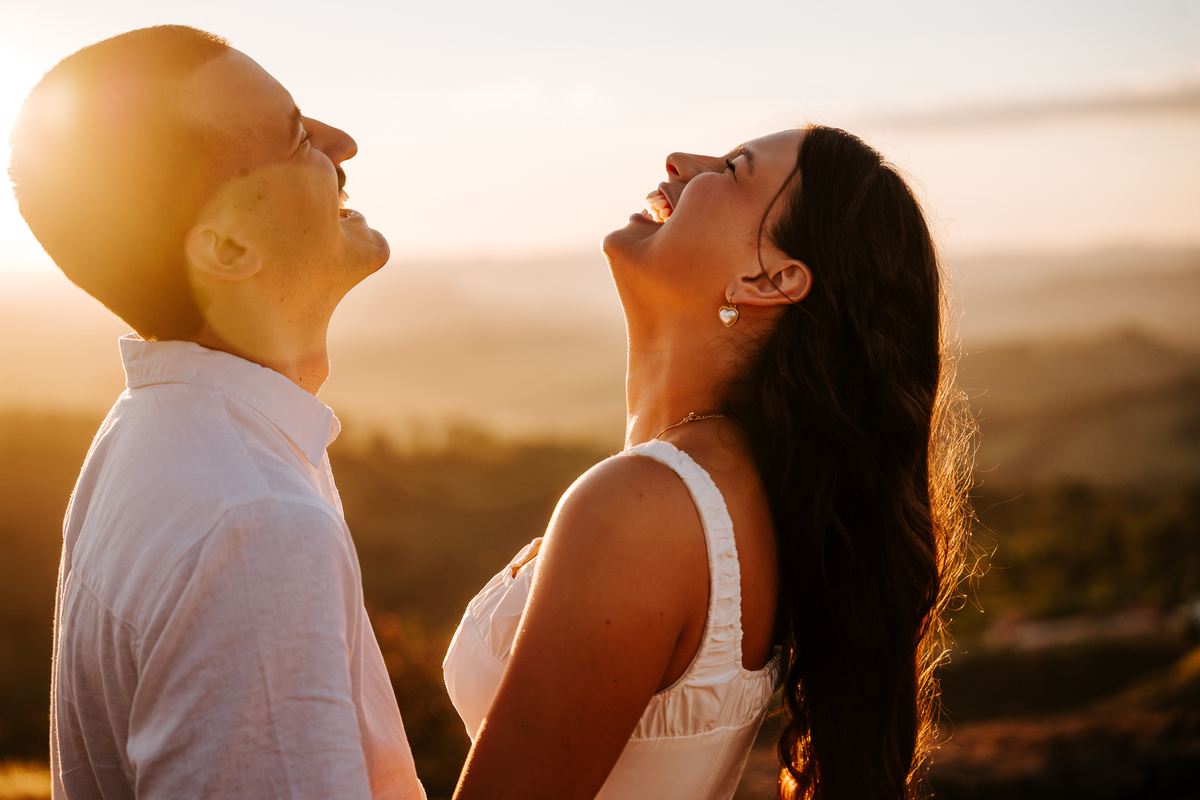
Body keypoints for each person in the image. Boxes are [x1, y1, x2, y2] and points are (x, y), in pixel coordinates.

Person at [443, 126, 973, 800]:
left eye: (732, 168)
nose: (681, 164)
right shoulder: (732, 487)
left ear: (767, 277)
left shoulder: (646, 507)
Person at [9, 26, 425, 799]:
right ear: (229, 249)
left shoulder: (148, 436)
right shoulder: (255, 526)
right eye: (300, 136)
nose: (344, 144)